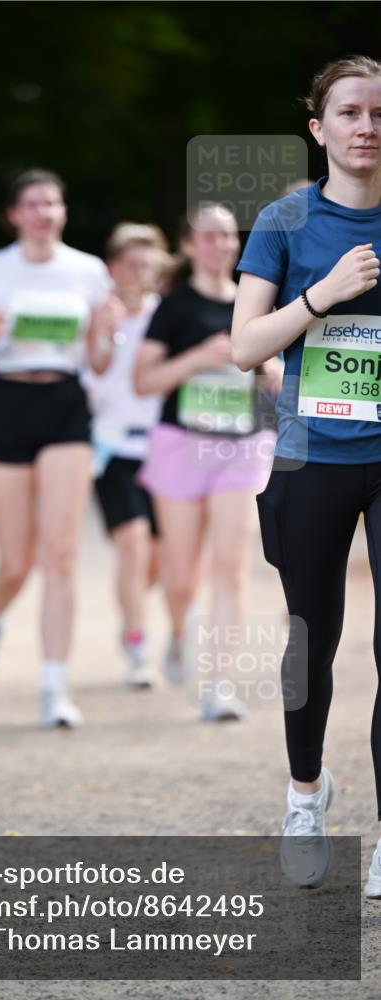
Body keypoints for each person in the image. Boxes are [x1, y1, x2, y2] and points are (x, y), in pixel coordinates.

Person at [231, 55, 381, 893]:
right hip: (312, 456)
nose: (367, 126)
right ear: (320, 129)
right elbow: (243, 345)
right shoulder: (285, 221)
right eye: (350, 112)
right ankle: (303, 794)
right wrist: (320, 295)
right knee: (310, 641)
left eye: (379, 114)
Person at [0, 169, 122, 728]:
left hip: (65, 405)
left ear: (63, 213)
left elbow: (99, 363)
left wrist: (107, 332)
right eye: (33, 204)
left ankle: (54, 687)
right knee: (17, 561)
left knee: (61, 553)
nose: (44, 212)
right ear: (14, 214)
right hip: (4, 408)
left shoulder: (88, 272)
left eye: (53, 203)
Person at [134, 203, 280, 721]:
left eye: (226, 236)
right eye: (208, 237)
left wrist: (263, 362)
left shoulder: (255, 301)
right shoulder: (173, 306)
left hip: (242, 446)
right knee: (180, 575)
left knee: (231, 566)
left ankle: (218, 685)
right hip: (182, 444)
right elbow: (143, 381)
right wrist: (198, 358)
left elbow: (280, 385)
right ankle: (177, 633)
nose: (219, 245)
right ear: (190, 245)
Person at [82, 223, 174, 687]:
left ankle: (130, 614)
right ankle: (138, 646)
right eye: (133, 265)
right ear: (114, 268)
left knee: (157, 560)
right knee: (133, 544)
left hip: (164, 446)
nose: (142, 274)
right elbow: (89, 373)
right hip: (114, 445)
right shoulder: (99, 313)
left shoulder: (169, 315)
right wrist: (107, 332)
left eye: (150, 266)